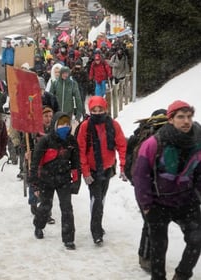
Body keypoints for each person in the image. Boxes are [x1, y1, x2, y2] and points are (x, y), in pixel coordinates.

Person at [133, 100, 201, 280]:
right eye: (180, 117)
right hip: (158, 203)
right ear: (170, 119)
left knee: (197, 239)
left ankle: (182, 275)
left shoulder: (198, 141)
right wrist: (147, 206)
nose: (186, 121)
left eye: (189, 116)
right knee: (159, 249)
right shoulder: (154, 143)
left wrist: (197, 196)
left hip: (186, 201)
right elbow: (140, 176)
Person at [76, 96, 127, 245]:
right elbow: (81, 150)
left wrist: (123, 166)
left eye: (100, 109)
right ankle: (96, 231)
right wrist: (85, 172)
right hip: (92, 171)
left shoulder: (113, 125)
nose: (97, 113)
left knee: (101, 199)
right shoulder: (85, 126)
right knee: (96, 200)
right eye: (94, 110)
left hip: (107, 169)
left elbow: (122, 145)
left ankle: (98, 224)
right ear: (90, 111)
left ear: (105, 109)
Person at [125, 108, 168, 273]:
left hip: (151, 188)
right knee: (152, 222)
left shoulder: (140, 137)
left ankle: (149, 255)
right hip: (147, 188)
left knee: (152, 222)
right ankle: (145, 256)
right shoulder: (147, 141)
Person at [29, 112, 80, 250]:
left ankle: (68, 238)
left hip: (64, 179)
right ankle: (39, 225)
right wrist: (35, 183)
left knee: (67, 208)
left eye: (67, 124)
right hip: (46, 179)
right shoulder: (45, 141)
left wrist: (76, 182)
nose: (64, 127)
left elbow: (76, 163)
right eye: (61, 124)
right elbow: (35, 163)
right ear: (55, 125)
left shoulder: (71, 141)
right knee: (46, 206)